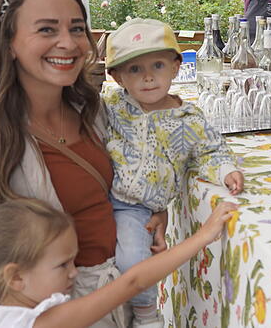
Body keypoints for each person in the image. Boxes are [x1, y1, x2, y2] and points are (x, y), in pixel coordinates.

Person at [0, 0, 160, 328]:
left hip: (116, 302)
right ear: (8, 41)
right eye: (46, 30)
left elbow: (123, 188)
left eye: (76, 28)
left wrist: (152, 212)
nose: (68, 43)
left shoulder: (92, 111)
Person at [102, 18, 244, 326]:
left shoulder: (187, 118)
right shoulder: (113, 106)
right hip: (105, 197)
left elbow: (211, 149)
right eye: (135, 69)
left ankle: (146, 314)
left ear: (176, 67)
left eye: (157, 66)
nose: (148, 77)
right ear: (116, 77)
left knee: (132, 261)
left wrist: (226, 170)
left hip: (135, 208)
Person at [0, 198, 238, 328]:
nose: (74, 272)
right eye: (63, 265)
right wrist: (203, 236)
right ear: (16, 277)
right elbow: (132, 282)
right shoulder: (36, 323)